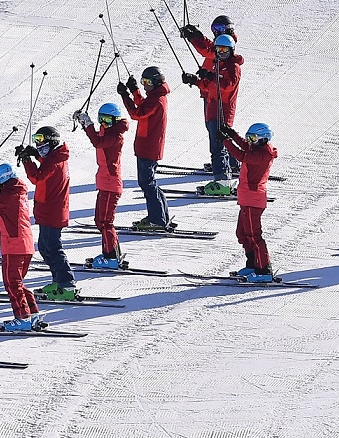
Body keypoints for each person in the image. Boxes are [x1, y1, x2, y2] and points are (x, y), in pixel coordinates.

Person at [17, 125, 78, 302]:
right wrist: (33, 155)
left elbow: (37, 176)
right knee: (45, 247)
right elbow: (46, 163)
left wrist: (28, 160)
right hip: (48, 210)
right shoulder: (55, 156)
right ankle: (58, 280)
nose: (38, 145)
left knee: (53, 248)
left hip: (53, 212)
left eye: (41, 141)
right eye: (36, 141)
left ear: (52, 142)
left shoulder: (55, 161)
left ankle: (67, 284)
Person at [181, 32, 242, 194]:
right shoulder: (217, 65)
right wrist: (194, 80)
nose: (221, 53)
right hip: (212, 111)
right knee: (216, 146)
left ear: (231, 50)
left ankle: (222, 181)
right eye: (218, 50)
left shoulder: (232, 67)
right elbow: (209, 86)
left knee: (218, 147)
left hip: (223, 112)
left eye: (224, 50)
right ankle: (224, 177)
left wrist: (211, 75)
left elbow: (227, 85)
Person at [0, 163, 43, 331]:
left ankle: (23, 317)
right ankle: (32, 312)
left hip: (14, 244)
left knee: (12, 283)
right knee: (17, 282)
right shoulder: (17, 190)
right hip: (24, 244)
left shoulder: (9, 194)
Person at [218, 122, 278, 281]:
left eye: (253, 138)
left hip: (253, 199)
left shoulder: (263, 154)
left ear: (263, 139)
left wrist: (226, 142)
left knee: (253, 235)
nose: (249, 141)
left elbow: (242, 156)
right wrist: (232, 134)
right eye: (249, 137)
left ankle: (264, 270)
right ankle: (252, 263)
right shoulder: (256, 148)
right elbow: (245, 147)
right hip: (246, 198)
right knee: (242, 234)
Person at [75, 102, 129, 268]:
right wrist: (85, 124)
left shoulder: (115, 136)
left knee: (105, 222)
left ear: (116, 119)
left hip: (111, 183)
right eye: (101, 120)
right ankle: (111, 252)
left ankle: (111, 257)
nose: (103, 123)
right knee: (100, 220)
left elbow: (98, 142)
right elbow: (97, 138)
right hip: (106, 182)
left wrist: (88, 123)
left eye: (107, 120)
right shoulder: (109, 131)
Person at [119, 66, 172, 231]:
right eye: (143, 82)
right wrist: (134, 90)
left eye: (147, 82)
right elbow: (143, 105)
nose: (144, 85)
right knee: (149, 182)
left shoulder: (156, 100)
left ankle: (157, 219)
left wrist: (125, 96)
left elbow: (137, 113)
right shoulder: (155, 96)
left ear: (156, 83)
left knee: (147, 183)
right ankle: (160, 216)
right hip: (148, 146)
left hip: (149, 147)